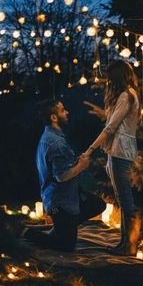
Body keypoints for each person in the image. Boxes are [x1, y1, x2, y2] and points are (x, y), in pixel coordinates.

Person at [24, 99, 105, 252]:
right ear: (54, 117)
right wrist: (81, 166)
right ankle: (27, 233)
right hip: (61, 202)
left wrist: (75, 162)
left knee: (97, 204)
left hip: (68, 196)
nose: (66, 112)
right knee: (66, 246)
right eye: (62, 110)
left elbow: (58, 167)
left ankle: (65, 225)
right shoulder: (56, 143)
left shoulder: (51, 137)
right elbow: (61, 176)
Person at [84, 60, 141, 256]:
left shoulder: (126, 96)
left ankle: (129, 245)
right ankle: (124, 242)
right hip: (117, 150)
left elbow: (110, 128)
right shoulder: (126, 95)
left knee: (124, 197)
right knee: (120, 195)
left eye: (110, 78)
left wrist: (90, 149)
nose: (108, 82)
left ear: (115, 78)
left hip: (120, 150)